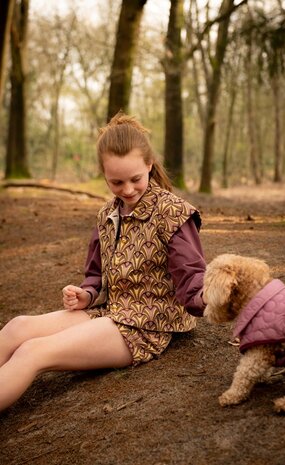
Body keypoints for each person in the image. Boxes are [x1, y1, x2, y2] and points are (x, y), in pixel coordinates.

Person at [0, 112, 206, 411]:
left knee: (33, 351)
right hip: (109, 311)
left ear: (149, 164)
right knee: (18, 328)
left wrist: (213, 300)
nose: (128, 190)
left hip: (145, 325)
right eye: (116, 182)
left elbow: (191, 277)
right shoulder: (106, 215)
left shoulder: (172, 212)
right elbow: (96, 275)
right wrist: (87, 294)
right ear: (104, 175)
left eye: (135, 179)